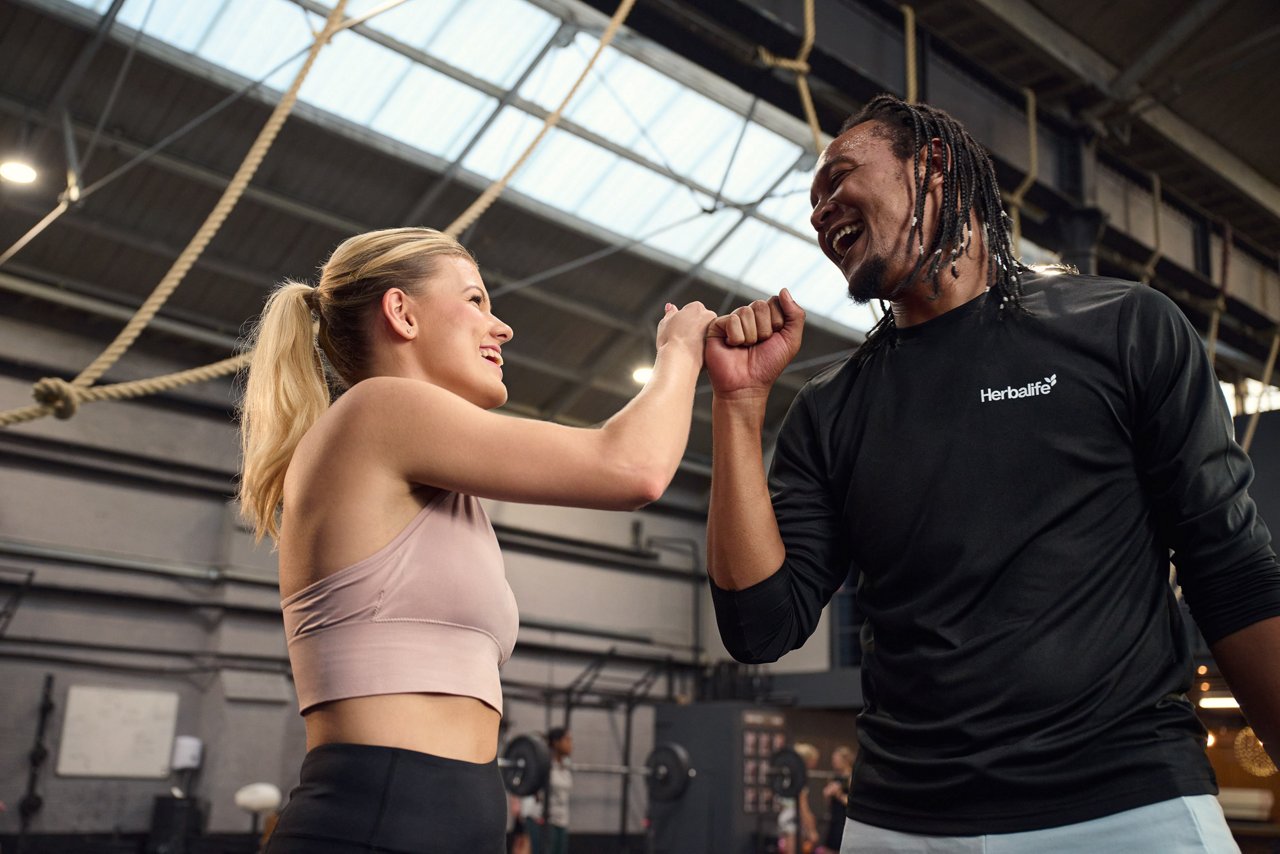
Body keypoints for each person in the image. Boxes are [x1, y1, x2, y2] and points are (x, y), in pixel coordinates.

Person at [704, 94, 1280, 852]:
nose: (821, 212)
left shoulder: (1122, 328)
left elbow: (1228, 569)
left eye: (840, 178)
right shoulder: (831, 410)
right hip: (901, 821)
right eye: (811, 203)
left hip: (1126, 806)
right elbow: (759, 626)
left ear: (933, 163)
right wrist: (739, 406)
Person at [238, 227, 714, 853]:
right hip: (377, 822)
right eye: (476, 300)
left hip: (442, 821)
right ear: (401, 313)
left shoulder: (429, 474)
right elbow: (631, 467)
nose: (502, 327)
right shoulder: (377, 410)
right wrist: (680, 352)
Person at [530, 727, 573, 854]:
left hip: (562, 820)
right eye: (567, 740)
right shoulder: (544, 762)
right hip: (545, 822)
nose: (571, 744)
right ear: (556, 742)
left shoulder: (567, 763)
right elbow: (533, 791)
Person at [778, 742, 820, 853]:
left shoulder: (788, 777)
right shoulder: (799, 780)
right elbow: (802, 806)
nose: (815, 764)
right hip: (793, 820)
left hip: (786, 819)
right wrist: (811, 830)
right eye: (813, 760)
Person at [817, 747, 853, 854]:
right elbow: (828, 804)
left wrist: (839, 795)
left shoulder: (850, 778)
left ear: (845, 760)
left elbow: (852, 803)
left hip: (844, 821)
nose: (834, 762)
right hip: (834, 819)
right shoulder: (834, 777)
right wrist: (827, 795)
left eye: (836, 760)